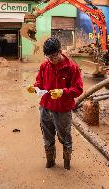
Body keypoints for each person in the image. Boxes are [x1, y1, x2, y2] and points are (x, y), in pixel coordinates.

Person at [27, 37, 83, 170]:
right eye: (48, 57)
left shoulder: (71, 68)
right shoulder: (45, 65)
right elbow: (40, 83)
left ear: (60, 51)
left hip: (62, 110)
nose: (51, 59)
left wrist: (63, 92)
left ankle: (67, 164)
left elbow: (78, 89)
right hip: (45, 108)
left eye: (53, 56)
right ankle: (50, 162)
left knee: (65, 138)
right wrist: (34, 88)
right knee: (47, 137)